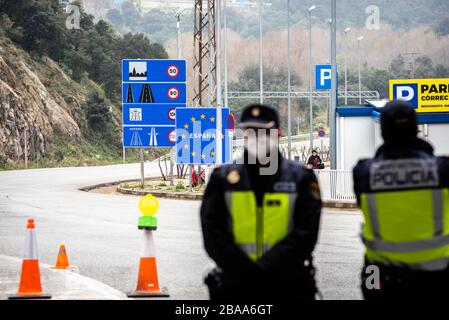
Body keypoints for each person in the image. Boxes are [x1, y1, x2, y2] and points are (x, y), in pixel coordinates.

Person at [200, 104, 322, 300]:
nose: (257, 137)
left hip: (286, 284)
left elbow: (306, 234)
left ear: (278, 134)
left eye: (264, 131)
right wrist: (244, 269)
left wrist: (264, 268)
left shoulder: (301, 178)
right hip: (235, 286)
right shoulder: (222, 180)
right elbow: (213, 233)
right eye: (251, 131)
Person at [353, 100, 449, 300]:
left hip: (378, 275)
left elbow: (363, 206)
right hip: (437, 273)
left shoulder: (363, 173)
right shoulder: (442, 170)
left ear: (383, 131)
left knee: (370, 279)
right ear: (415, 128)